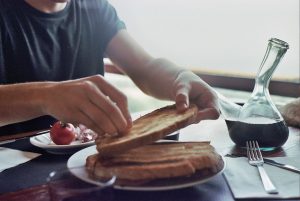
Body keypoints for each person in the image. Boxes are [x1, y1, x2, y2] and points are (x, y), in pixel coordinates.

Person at [0, 0, 220, 136]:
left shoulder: (95, 8)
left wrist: (180, 77)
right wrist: (45, 96)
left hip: (84, 161)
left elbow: (145, 68)